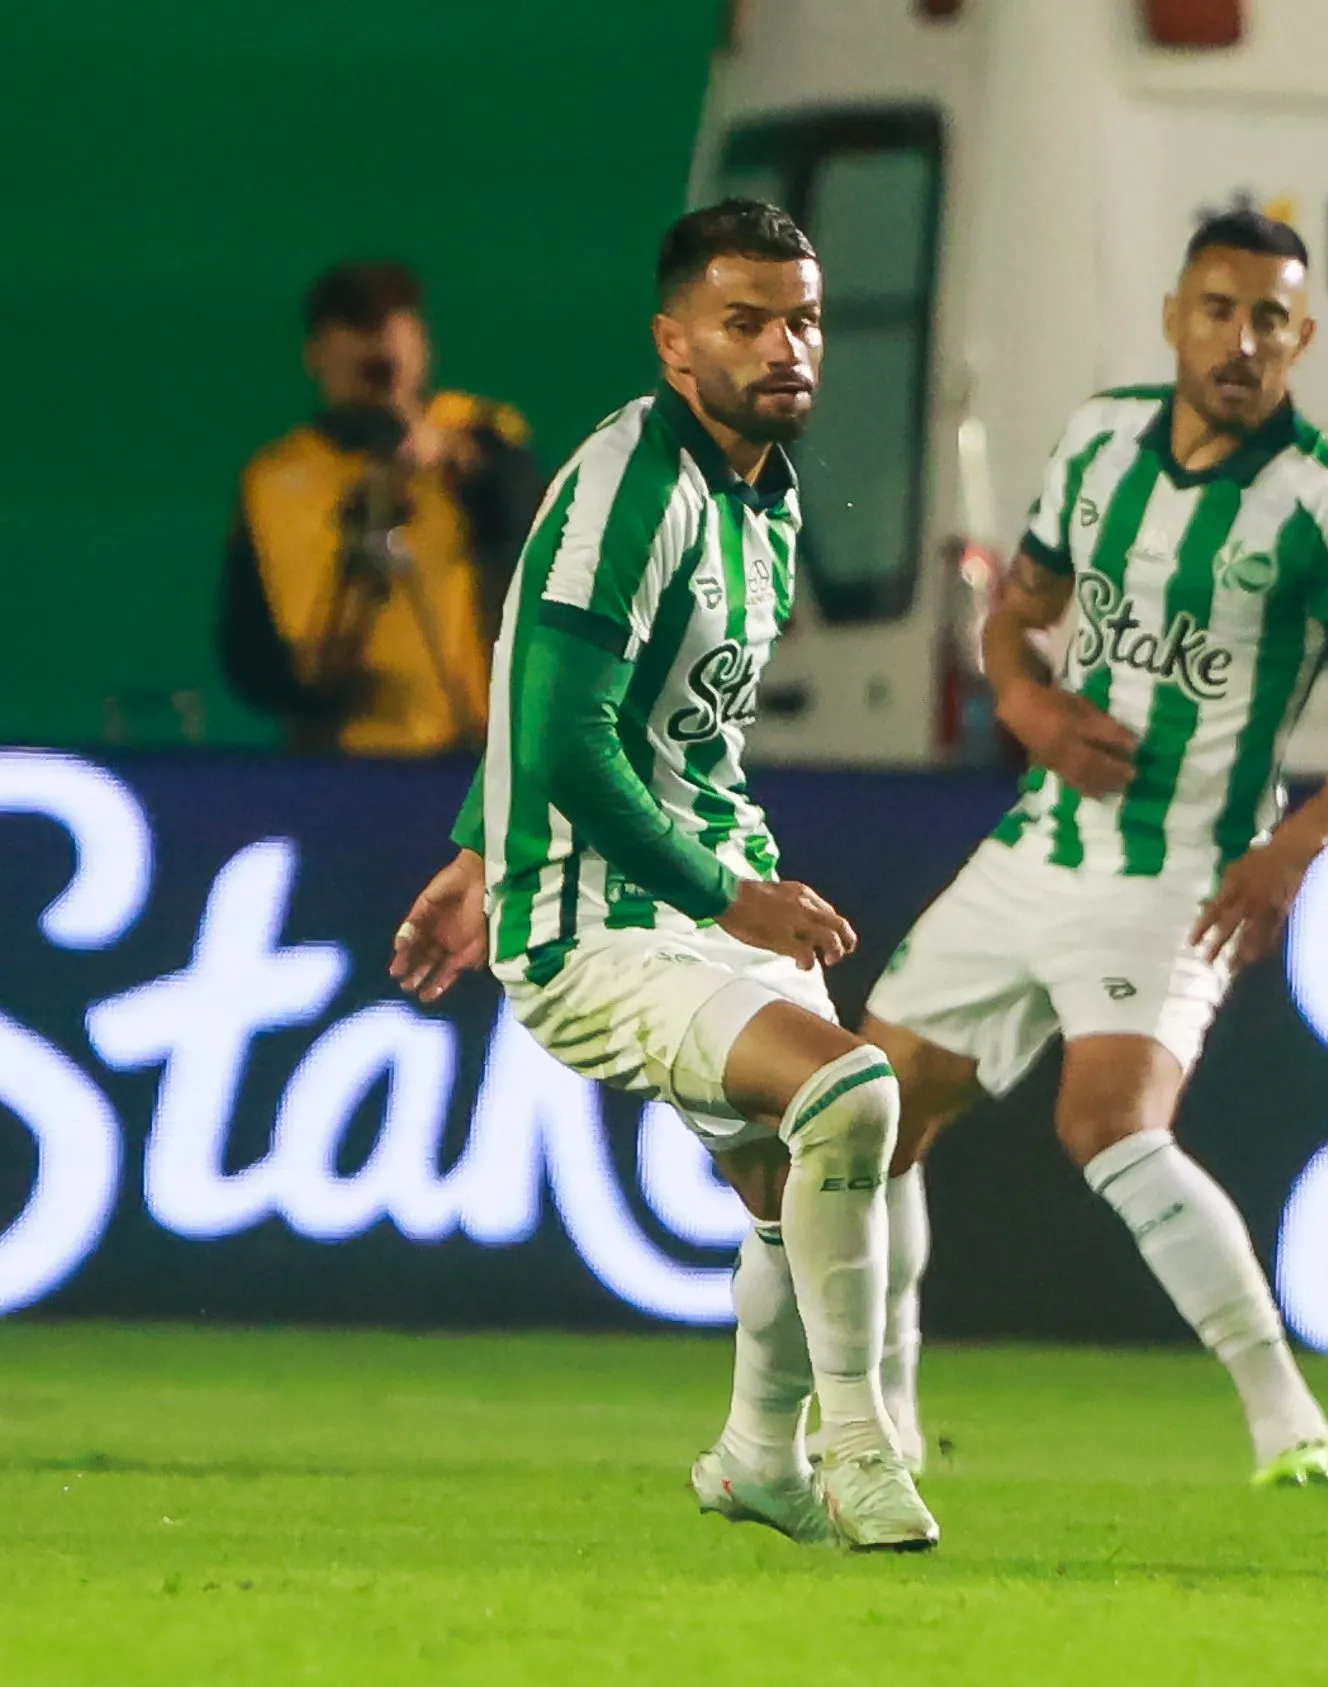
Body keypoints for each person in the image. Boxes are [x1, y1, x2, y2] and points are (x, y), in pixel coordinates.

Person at [387, 200, 937, 1551]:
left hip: (693, 892)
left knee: (796, 1169)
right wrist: (720, 893)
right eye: (745, 320)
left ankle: (758, 1456)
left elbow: (593, 701)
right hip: (595, 926)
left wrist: (466, 849)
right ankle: (860, 1450)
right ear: (673, 339)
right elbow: (563, 732)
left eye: (802, 318)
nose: (785, 346)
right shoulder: (630, 484)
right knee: (852, 1091)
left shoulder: (765, 493)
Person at [858, 208, 1328, 1487]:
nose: (1241, 341)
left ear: (1303, 339)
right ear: (1175, 317)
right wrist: (1022, 700)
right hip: (1039, 845)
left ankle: (1288, 1420)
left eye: (1268, 320)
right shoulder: (1099, 440)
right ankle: (880, 1428)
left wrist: (1295, 850)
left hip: (1177, 869)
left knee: (1109, 1120)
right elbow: (1022, 613)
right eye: (1219, 310)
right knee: (869, 1115)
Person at [220, 261, 542, 756]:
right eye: (352, 326)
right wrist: (307, 692)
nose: (374, 344)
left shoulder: (477, 437)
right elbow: (245, 639)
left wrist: (460, 463)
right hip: (335, 756)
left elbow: (529, 530)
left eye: (389, 325)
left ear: (422, 346)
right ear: (317, 354)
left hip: (469, 750)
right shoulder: (275, 478)